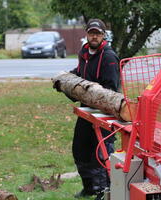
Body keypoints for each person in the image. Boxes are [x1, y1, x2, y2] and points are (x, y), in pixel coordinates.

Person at [70, 19, 120, 200]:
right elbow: (81, 72)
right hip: (86, 111)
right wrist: (68, 79)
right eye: (91, 33)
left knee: (101, 153)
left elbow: (112, 90)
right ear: (86, 34)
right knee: (80, 149)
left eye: (98, 33)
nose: (94, 36)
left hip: (104, 114)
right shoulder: (84, 52)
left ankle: (104, 191)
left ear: (103, 35)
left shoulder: (109, 57)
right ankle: (89, 187)